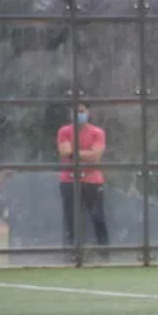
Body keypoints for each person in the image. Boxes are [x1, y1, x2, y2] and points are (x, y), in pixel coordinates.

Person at [57, 102, 109, 252]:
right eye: (75, 112)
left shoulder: (97, 132)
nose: (79, 115)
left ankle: (104, 253)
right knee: (70, 219)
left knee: (98, 217)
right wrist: (87, 153)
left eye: (81, 111)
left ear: (88, 112)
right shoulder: (64, 131)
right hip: (69, 180)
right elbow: (65, 152)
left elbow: (96, 156)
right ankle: (72, 253)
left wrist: (75, 153)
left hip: (93, 181)